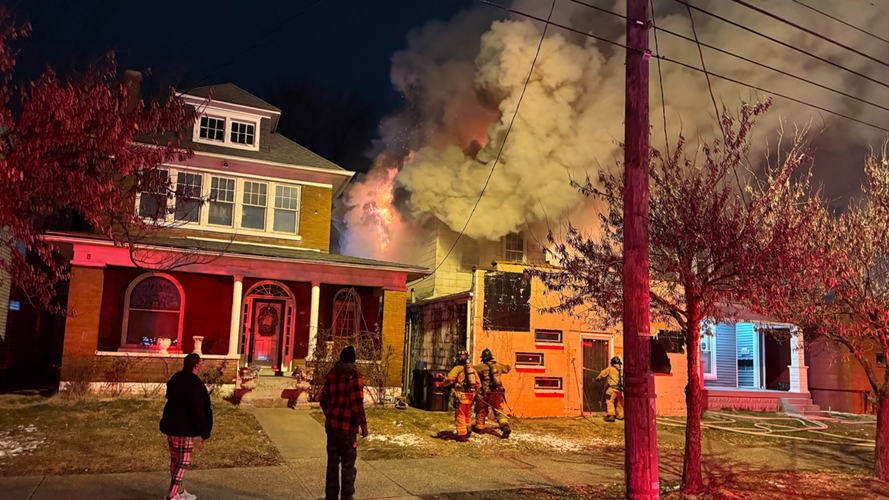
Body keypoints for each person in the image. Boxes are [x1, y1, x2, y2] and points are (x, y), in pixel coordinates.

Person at [159, 353, 212, 500]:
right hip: (184, 428)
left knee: (175, 460)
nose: (201, 365)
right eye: (200, 362)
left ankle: (179, 492)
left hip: (171, 425)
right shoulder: (192, 384)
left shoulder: (177, 378)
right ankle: (171, 495)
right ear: (196, 365)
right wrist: (205, 431)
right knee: (183, 461)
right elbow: (197, 410)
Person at [320, 345, 368, 500]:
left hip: (332, 427)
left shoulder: (331, 375)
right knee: (348, 466)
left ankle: (331, 497)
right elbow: (357, 404)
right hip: (348, 429)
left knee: (332, 465)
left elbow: (323, 399)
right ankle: (347, 497)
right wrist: (363, 425)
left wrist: (330, 413)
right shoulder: (354, 376)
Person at [440, 348, 480, 442]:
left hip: (460, 395)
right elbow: (478, 383)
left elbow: (449, 379)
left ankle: (461, 435)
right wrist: (473, 392)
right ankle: (468, 428)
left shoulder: (457, 368)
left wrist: (442, 385)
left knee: (460, 414)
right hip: (470, 396)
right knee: (466, 412)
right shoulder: (472, 369)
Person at [473, 348, 512, 438]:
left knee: (481, 410)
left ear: (483, 358)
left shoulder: (480, 367)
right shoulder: (498, 365)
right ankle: (505, 426)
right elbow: (507, 368)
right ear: (491, 357)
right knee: (499, 411)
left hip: (484, 394)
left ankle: (480, 428)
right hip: (497, 393)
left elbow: (471, 371)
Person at [597, 356, 624, 422]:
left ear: (612, 362)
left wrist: (598, 379)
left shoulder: (610, 369)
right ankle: (620, 415)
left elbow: (602, 374)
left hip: (611, 389)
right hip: (619, 390)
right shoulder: (621, 371)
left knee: (609, 401)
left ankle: (610, 415)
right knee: (619, 402)